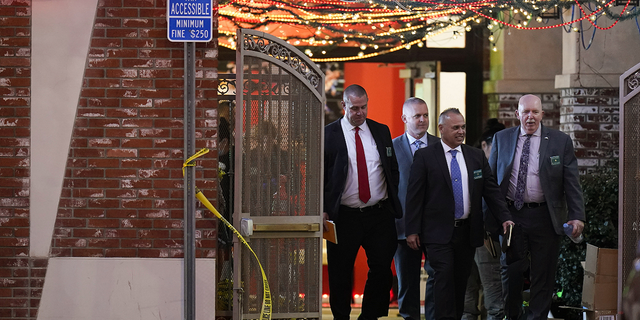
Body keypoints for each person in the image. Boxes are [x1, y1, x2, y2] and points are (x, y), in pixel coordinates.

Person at [405, 108, 514, 320]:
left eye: (463, 127)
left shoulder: (476, 157)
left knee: (460, 282)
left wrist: (505, 217)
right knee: (443, 278)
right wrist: (412, 230)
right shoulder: (426, 156)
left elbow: (491, 191)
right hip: (437, 234)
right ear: (441, 129)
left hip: (467, 233)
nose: (461, 131)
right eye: (455, 128)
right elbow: (414, 196)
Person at [488, 94, 586, 320]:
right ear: (517, 115)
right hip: (511, 216)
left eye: (535, 112)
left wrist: (577, 216)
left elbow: (571, 182)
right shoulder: (501, 139)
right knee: (511, 273)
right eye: (525, 112)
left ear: (543, 114)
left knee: (544, 275)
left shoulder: (560, 141)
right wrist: (490, 221)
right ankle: (513, 316)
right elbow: (491, 183)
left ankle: (537, 317)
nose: (530, 117)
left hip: (545, 216)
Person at [323, 84, 402, 320]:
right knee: (340, 271)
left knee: (381, 268)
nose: (359, 113)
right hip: (344, 215)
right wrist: (324, 209)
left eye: (363, 107)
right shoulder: (329, 134)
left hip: (378, 213)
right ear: (343, 106)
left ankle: (369, 317)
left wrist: (390, 198)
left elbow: (391, 168)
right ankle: (340, 317)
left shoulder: (381, 131)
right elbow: (320, 175)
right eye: (354, 108)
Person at [393, 98, 438, 320]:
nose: (422, 120)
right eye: (417, 116)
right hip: (403, 228)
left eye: (425, 115)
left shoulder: (441, 146)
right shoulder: (391, 148)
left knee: (437, 279)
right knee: (408, 284)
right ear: (404, 119)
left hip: (436, 227)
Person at [462, 119, 506, 320]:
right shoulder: (472, 162)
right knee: (474, 295)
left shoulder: (476, 162)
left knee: (489, 295)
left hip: (483, 236)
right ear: (484, 145)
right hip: (476, 235)